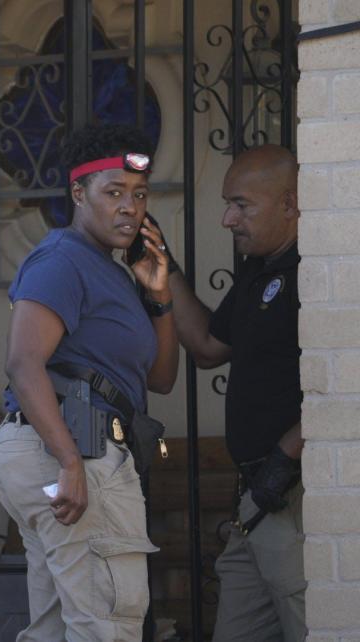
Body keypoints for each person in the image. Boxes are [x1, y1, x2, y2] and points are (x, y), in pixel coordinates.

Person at [0, 123, 179, 641]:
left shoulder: (111, 271)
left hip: (78, 448)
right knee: (106, 625)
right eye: (113, 192)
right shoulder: (63, 259)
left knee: (61, 629)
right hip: (74, 448)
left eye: (139, 195)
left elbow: (161, 378)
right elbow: (23, 363)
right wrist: (69, 460)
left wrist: (158, 294)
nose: (130, 208)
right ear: (78, 193)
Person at [161, 144, 304, 641]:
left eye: (242, 204)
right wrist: (163, 267)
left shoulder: (324, 274)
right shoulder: (258, 272)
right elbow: (205, 347)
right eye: (228, 203)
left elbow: (347, 382)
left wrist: (287, 454)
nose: (227, 218)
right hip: (254, 501)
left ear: (290, 204)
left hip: (295, 496)